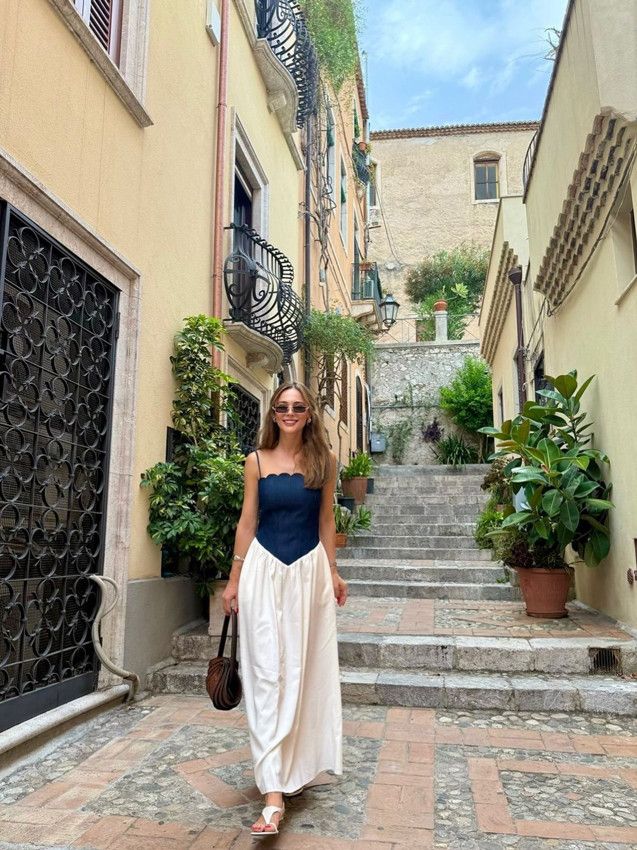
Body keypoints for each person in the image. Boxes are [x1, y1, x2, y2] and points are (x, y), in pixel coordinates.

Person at [222, 381, 348, 837]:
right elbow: (247, 521)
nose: (289, 413)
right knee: (264, 674)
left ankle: (294, 765)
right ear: (273, 414)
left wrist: (333, 570)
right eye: (282, 407)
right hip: (262, 571)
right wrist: (233, 579)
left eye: (297, 407)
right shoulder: (255, 461)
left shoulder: (324, 461)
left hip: (308, 573)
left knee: (301, 671)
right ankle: (273, 794)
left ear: (309, 414)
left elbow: (326, 520)